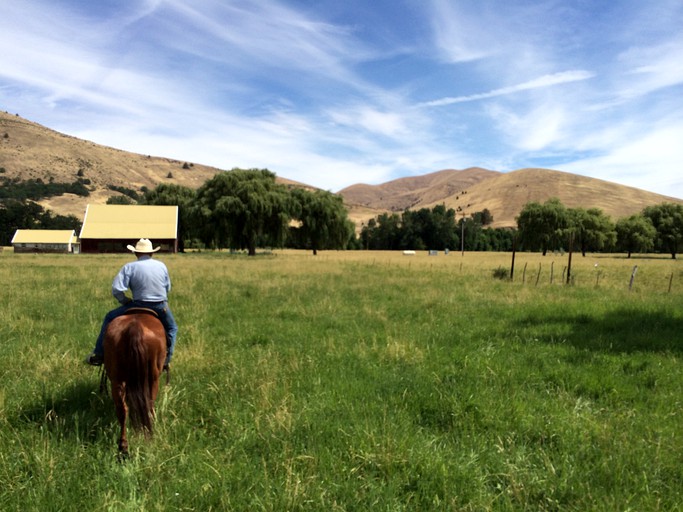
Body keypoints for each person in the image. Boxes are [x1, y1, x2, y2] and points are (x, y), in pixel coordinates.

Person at [85, 238, 178, 369]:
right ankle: (166, 360)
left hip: (137, 304)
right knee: (172, 328)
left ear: (135, 253)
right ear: (152, 253)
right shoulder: (162, 265)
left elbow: (117, 289)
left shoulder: (129, 267)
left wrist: (124, 300)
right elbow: (167, 288)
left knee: (109, 317)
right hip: (160, 306)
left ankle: (99, 354)